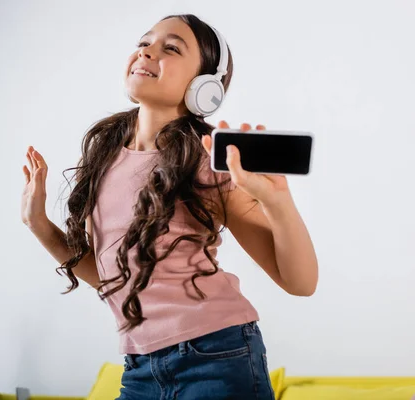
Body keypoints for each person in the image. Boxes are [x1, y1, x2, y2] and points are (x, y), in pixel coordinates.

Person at [21, 13, 318, 400]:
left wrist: (277, 203)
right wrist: (38, 223)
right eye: (143, 42)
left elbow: (301, 282)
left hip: (217, 357)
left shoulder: (206, 159)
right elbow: (112, 277)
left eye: (171, 47)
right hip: (140, 368)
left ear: (205, 87)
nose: (147, 50)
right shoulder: (105, 154)